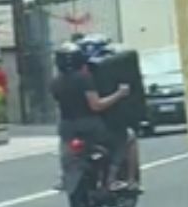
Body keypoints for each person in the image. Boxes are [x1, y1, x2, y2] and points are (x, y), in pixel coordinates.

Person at [50, 43, 133, 191]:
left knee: (66, 149)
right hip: (91, 127)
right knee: (124, 138)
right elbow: (96, 105)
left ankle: (64, 176)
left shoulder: (55, 82)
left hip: (67, 127)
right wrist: (119, 94)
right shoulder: (84, 78)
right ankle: (111, 179)